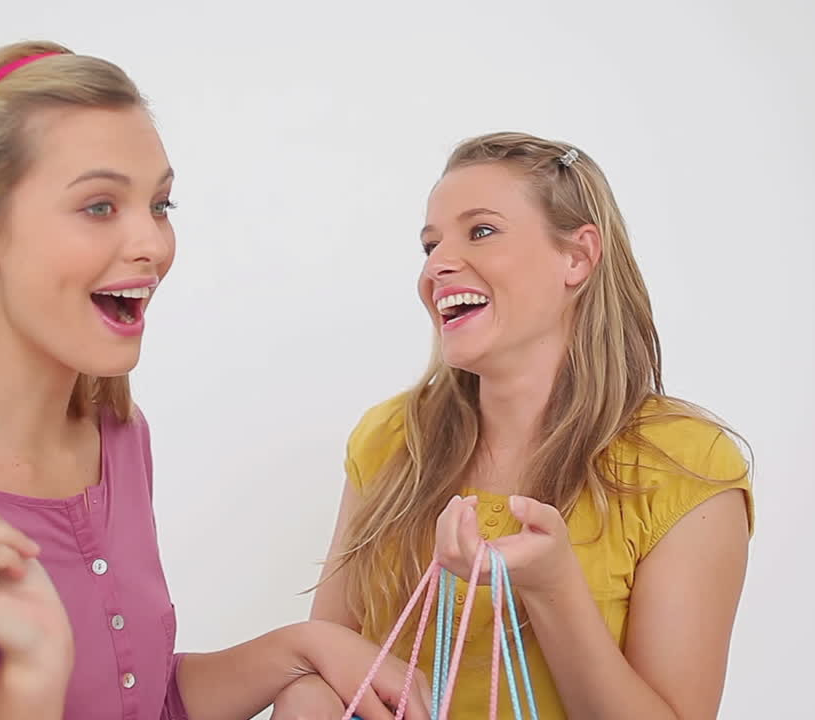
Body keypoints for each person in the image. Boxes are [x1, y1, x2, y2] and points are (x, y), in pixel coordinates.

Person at [0, 41, 428, 720]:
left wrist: (304, 647)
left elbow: (139, 702)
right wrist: (30, 676)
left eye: (161, 205)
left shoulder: (116, 439)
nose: (153, 244)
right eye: (100, 206)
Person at [274, 132, 753, 719]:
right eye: (429, 245)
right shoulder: (392, 439)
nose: (438, 265)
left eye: (481, 231)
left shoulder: (685, 464)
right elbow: (329, 663)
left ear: (577, 257)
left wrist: (553, 589)